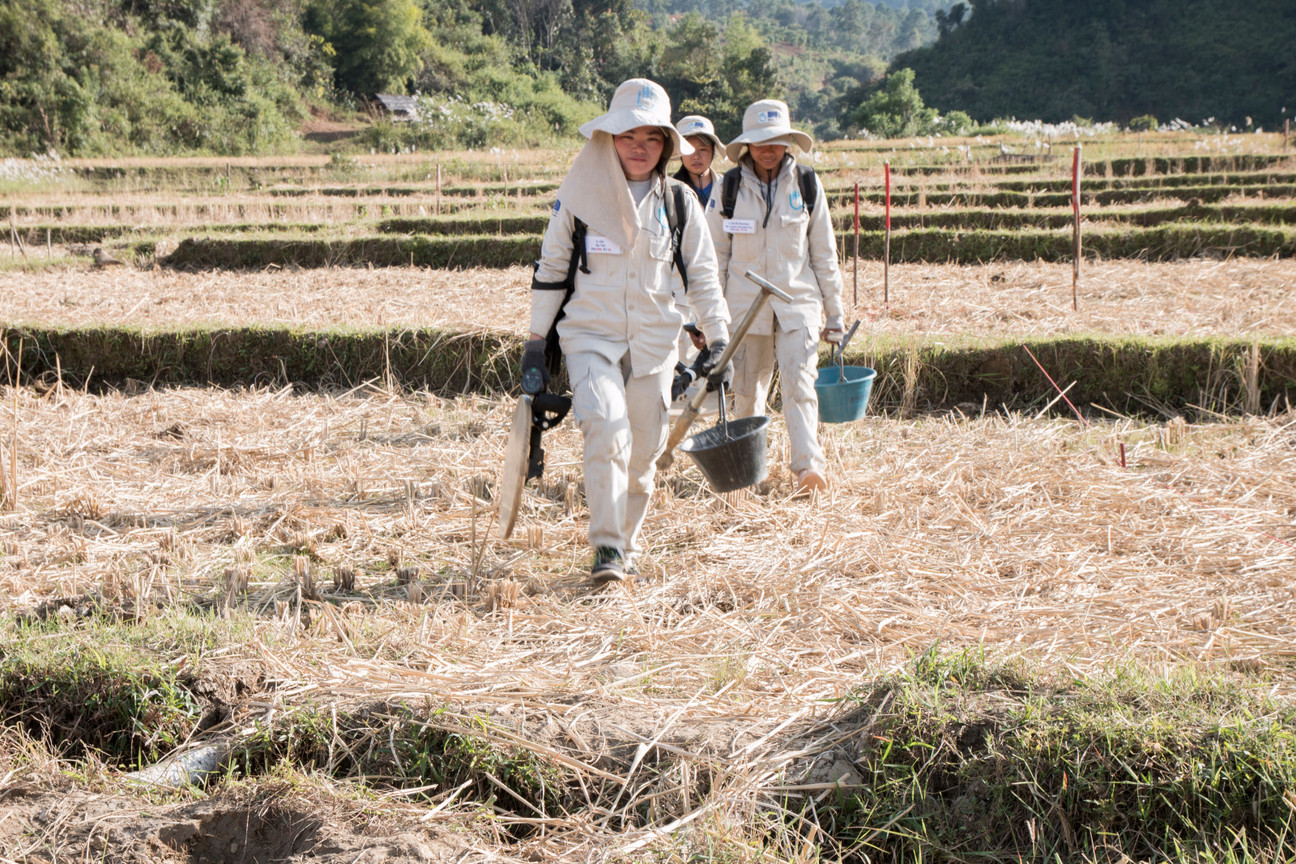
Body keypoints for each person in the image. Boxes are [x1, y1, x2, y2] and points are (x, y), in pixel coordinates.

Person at [520, 79, 732, 582]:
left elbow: (702, 276)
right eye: (628, 136)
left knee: (642, 458)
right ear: (609, 139)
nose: (640, 147)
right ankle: (607, 548)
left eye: (652, 139)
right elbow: (551, 268)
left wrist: (718, 336)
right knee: (606, 429)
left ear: (664, 147)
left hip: (656, 345)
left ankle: (627, 545)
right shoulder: (577, 199)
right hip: (590, 337)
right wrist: (534, 342)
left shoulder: (678, 203)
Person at [705, 98, 845, 495]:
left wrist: (835, 312)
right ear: (747, 145)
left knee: (801, 385)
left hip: (797, 303)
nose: (768, 149)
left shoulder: (807, 185)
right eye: (760, 141)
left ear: (788, 142)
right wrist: (710, 317)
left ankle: (807, 468)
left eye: (777, 140)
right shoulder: (727, 188)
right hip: (744, 307)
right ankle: (747, 473)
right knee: (748, 393)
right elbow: (714, 257)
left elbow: (823, 254)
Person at [672, 115, 723, 205]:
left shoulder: (728, 187)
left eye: (703, 149)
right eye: (689, 149)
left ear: (713, 150)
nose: (696, 156)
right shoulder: (669, 189)